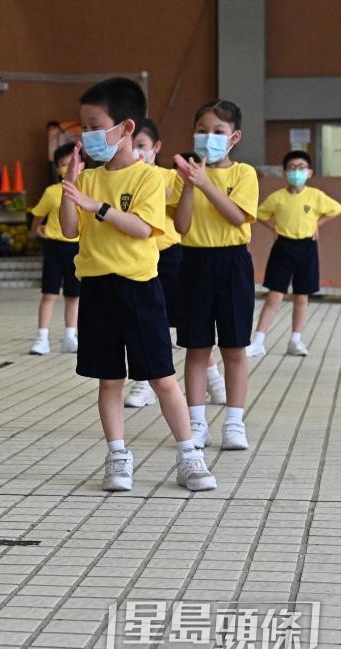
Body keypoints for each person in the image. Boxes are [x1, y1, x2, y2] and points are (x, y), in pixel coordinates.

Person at [59, 78, 215, 493]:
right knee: (108, 379)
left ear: (126, 128)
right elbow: (69, 228)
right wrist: (71, 187)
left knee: (163, 377)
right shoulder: (88, 179)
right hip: (97, 289)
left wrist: (100, 208)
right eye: (83, 127)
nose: (87, 135)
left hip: (138, 288)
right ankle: (117, 456)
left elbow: (145, 227)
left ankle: (189, 456)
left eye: (94, 125)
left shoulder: (147, 178)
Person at [172, 100, 258, 451]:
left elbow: (237, 217)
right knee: (196, 346)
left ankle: (235, 422)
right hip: (193, 262)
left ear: (234, 137)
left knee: (234, 347)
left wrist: (206, 183)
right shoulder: (186, 176)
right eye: (202, 131)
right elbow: (181, 224)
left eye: (218, 132)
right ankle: (196, 422)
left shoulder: (243, 174)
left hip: (232, 263)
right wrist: (191, 184)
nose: (209, 138)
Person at [124, 121, 226, 408]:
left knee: (191, 325)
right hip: (134, 260)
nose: (136, 151)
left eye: (142, 146)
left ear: (156, 148)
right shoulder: (121, 178)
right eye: (132, 145)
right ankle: (142, 383)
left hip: (171, 258)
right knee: (143, 325)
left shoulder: (171, 177)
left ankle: (214, 378)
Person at [246, 150, 341, 357]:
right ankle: (259, 341)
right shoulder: (277, 198)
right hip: (283, 248)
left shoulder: (315, 196)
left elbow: (335, 209)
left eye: (301, 167)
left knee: (301, 296)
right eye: (292, 168)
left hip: (307, 248)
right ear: (285, 172)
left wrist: (318, 224)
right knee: (274, 296)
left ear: (309, 172)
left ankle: (295, 340)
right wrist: (273, 228)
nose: (296, 171)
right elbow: (259, 214)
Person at [29, 142, 79, 355]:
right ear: (57, 168)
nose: (67, 168)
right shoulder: (52, 192)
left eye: (71, 163)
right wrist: (37, 230)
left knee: (74, 295)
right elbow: (37, 216)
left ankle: (70, 336)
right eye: (63, 164)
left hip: (77, 247)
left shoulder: (88, 190)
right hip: (54, 247)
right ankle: (42, 337)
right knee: (49, 293)